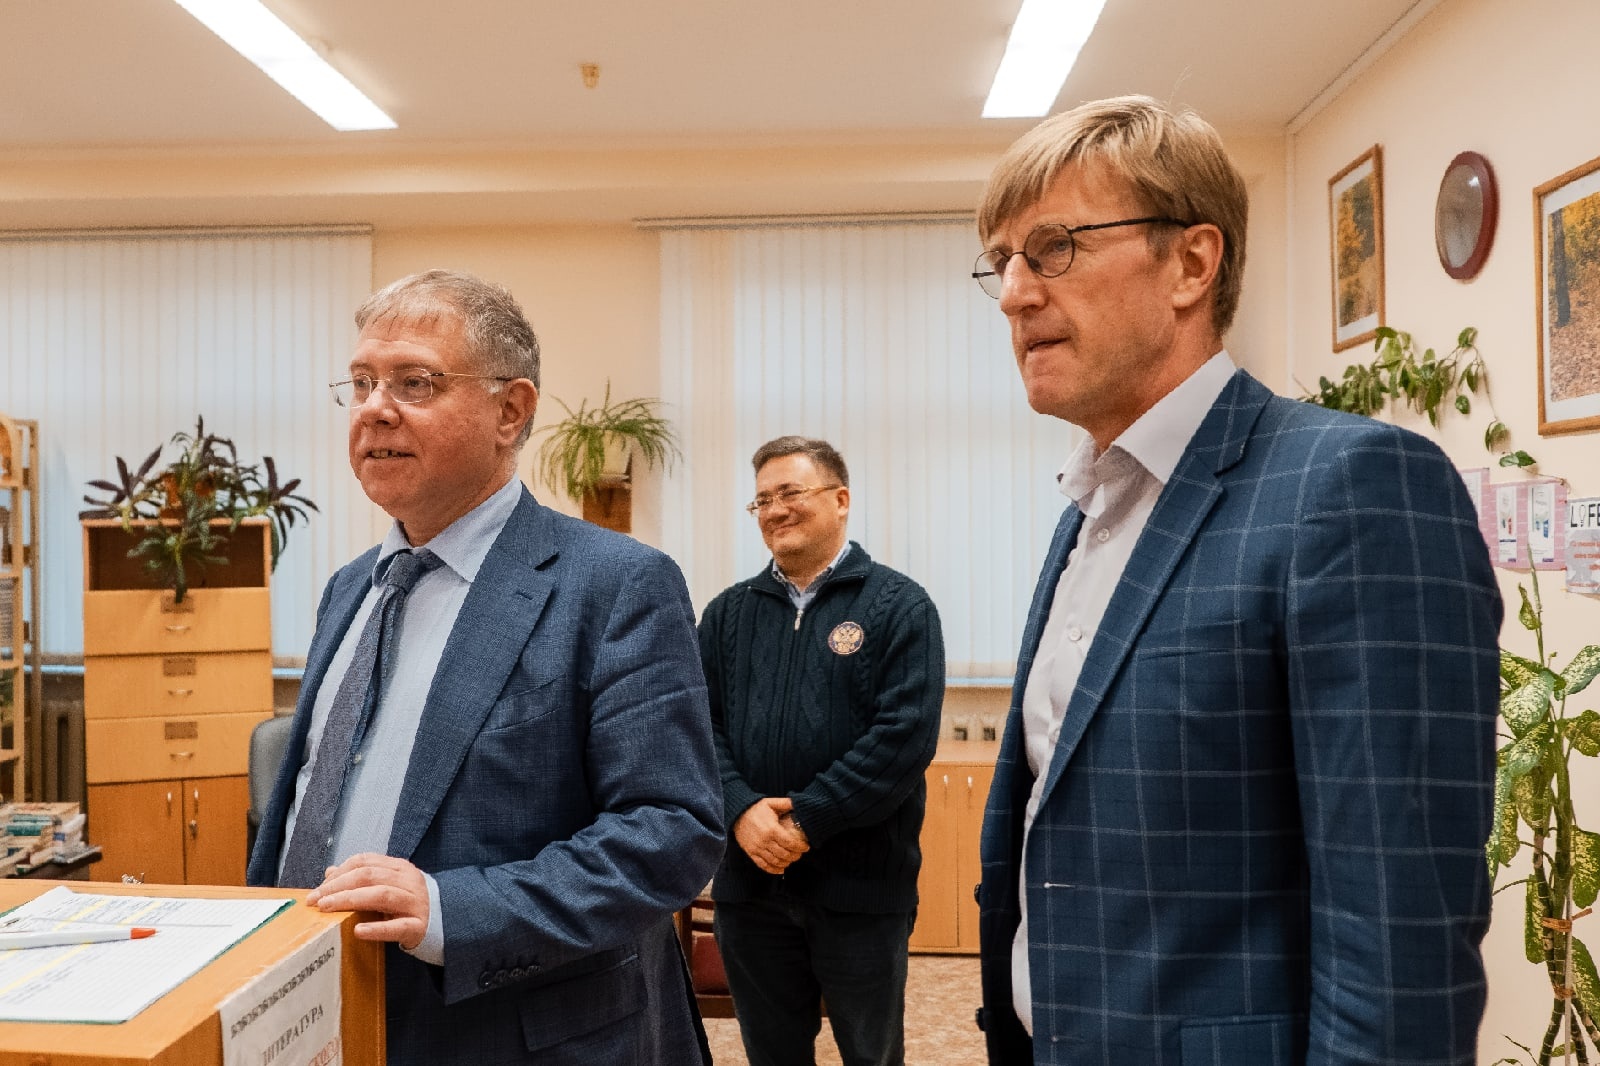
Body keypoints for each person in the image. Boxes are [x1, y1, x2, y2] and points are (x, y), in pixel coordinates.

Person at [970, 97, 1502, 1064]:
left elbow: (1399, 945)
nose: (1013, 293)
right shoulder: (1089, 508)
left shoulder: (1350, 488)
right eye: (1001, 261)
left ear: (1191, 263)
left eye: (1053, 249)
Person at [247, 269, 724, 1065]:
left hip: (507, 1032)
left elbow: (669, 832)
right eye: (361, 382)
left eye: (415, 382)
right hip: (323, 1012)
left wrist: (450, 911)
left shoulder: (614, 584)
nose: (373, 408)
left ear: (511, 411)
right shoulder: (349, 588)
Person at [697, 435, 945, 1066]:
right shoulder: (725, 615)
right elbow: (698, 728)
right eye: (762, 500)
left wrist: (807, 819)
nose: (775, 509)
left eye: (791, 492)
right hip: (750, 887)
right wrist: (742, 810)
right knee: (771, 1054)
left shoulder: (900, 606)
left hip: (861, 889)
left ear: (841, 499)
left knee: (872, 1054)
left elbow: (903, 739)